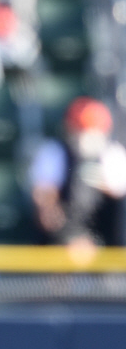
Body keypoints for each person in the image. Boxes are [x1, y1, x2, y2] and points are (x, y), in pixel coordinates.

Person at [30, 96, 126, 247]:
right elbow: (46, 206)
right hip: (63, 241)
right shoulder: (54, 152)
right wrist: (70, 237)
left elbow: (117, 202)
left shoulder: (114, 155)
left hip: (108, 243)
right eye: (82, 129)